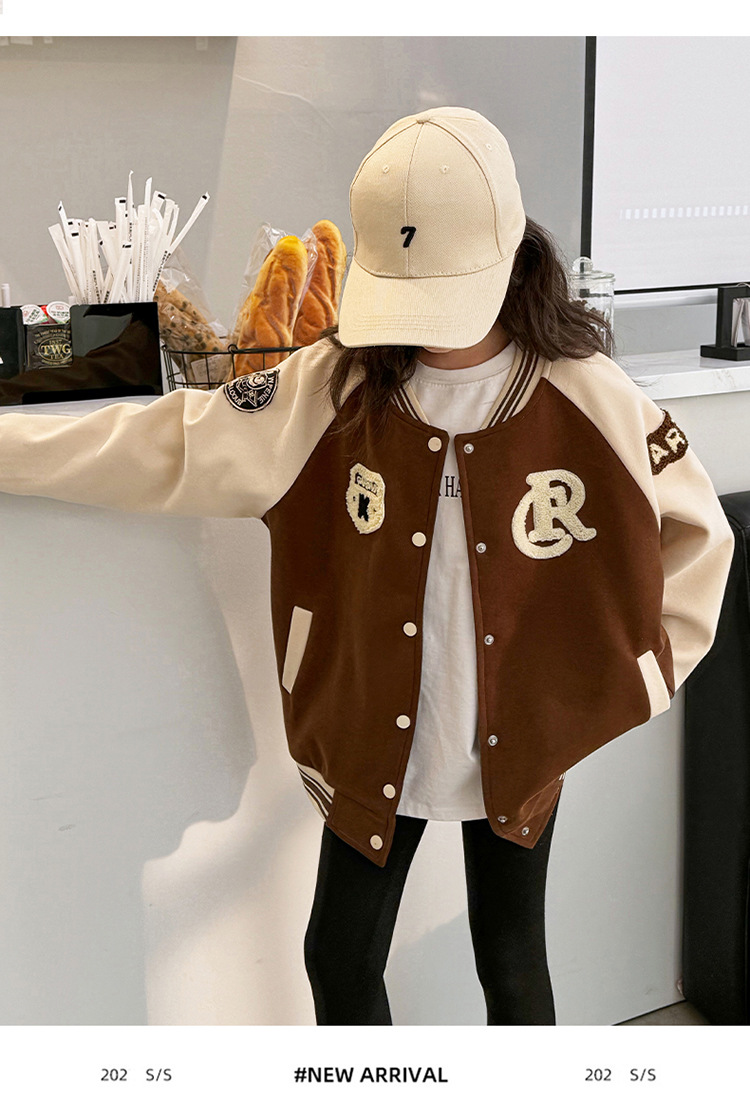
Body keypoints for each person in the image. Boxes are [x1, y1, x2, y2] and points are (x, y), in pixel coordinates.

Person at [0, 107, 734, 1026]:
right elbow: (172, 442)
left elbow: (698, 534)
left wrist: (636, 677)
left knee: (512, 961)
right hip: (371, 736)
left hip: (521, 741)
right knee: (339, 958)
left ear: (514, 256)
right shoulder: (333, 383)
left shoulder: (586, 391)